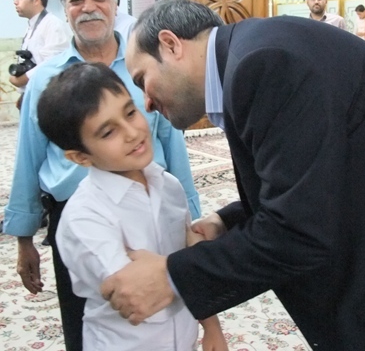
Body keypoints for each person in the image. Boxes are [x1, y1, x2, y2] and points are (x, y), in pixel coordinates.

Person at [103, 0, 365, 351]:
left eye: (142, 80)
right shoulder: (251, 53)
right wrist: (228, 221)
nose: (147, 103)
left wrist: (171, 278)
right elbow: (312, 179)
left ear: (171, 45)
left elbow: (299, 230)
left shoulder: (262, 65)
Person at [3, 0, 201, 351]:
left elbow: (172, 143)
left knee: (173, 303)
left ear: (115, 2)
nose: (89, 7)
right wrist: (24, 238)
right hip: (76, 214)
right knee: (91, 323)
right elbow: (28, 158)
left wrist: (193, 220)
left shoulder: (144, 66)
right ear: (64, 8)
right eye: (76, 0)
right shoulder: (44, 80)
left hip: (153, 198)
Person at [36, 62, 227, 351]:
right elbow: (137, 294)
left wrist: (212, 327)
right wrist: (192, 266)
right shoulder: (84, 218)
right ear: (81, 157)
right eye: (107, 132)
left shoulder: (169, 186)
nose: (132, 132)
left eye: (129, 112)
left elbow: (187, 255)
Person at [9, 0, 71, 109]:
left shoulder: (53, 25)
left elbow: (54, 63)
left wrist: (23, 79)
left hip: (47, 99)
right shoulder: (32, 26)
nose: (15, 2)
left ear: (36, 0)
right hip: (32, 95)